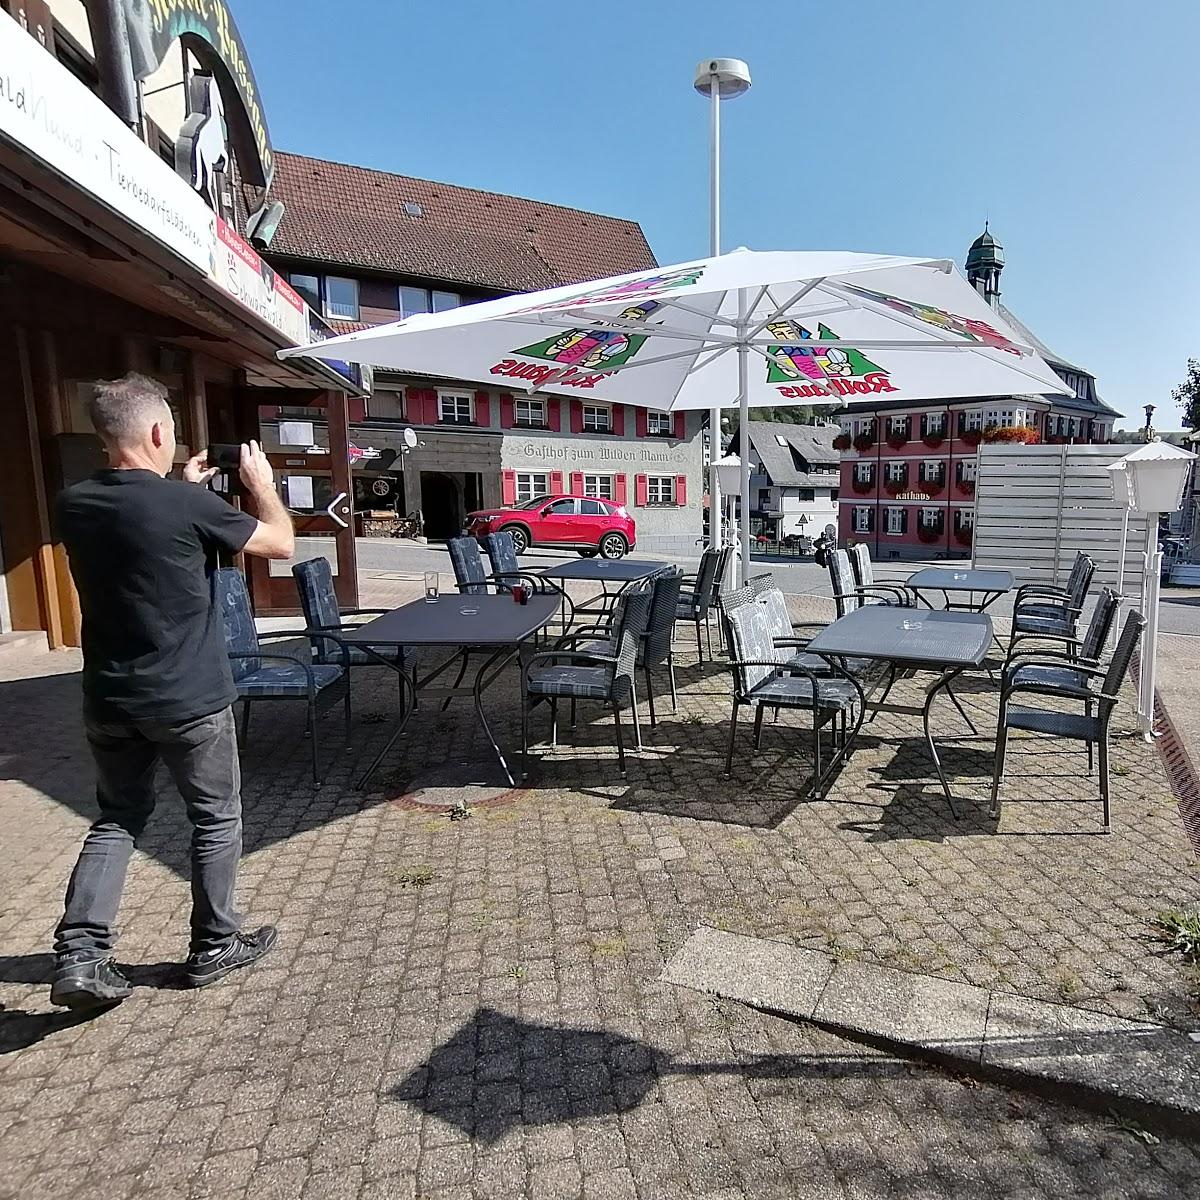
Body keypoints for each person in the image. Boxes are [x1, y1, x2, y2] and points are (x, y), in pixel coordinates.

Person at [49, 374, 295, 1010]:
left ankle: (81, 953)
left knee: (118, 817)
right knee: (215, 817)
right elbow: (280, 543)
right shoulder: (187, 507)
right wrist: (262, 489)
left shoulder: (73, 503)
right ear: (159, 433)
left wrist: (180, 492)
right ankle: (215, 944)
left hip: (110, 696)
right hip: (189, 698)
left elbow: (145, 536)